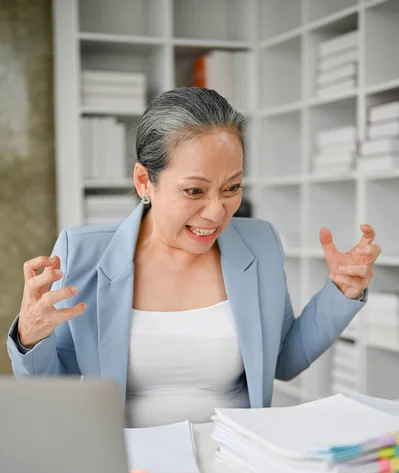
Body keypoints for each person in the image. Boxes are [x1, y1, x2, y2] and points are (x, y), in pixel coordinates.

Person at [7, 87, 380, 427]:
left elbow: (281, 362)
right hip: (126, 461)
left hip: (233, 456)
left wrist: (341, 292)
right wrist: (29, 337)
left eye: (231, 187)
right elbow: (58, 387)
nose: (217, 212)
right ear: (143, 182)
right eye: (194, 191)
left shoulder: (260, 242)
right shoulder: (82, 254)